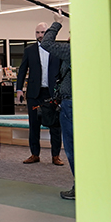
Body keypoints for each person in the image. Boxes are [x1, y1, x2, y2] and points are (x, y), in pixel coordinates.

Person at [16, 22, 64, 165]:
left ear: (48, 33)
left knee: (55, 126)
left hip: (52, 94)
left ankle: (56, 155)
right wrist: (19, 89)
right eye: (37, 32)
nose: (40, 35)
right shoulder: (29, 50)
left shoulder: (57, 49)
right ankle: (34, 154)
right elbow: (22, 70)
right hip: (34, 94)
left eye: (43, 32)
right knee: (34, 125)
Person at [40, 15, 74, 199]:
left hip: (71, 104)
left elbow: (46, 43)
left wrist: (57, 22)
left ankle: (80, 186)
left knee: (71, 148)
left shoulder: (71, 50)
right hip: (88, 104)